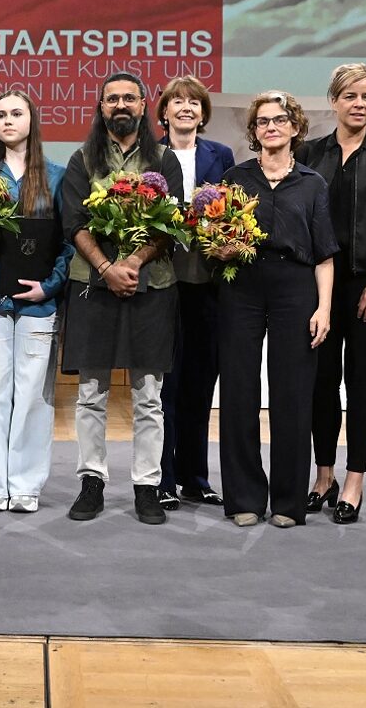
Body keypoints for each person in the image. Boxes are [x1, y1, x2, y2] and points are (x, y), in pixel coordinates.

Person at [59, 71, 183, 525]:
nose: (121, 105)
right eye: (112, 99)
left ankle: (147, 486)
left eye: (129, 97)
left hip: (153, 287)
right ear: (101, 107)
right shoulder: (81, 160)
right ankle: (92, 482)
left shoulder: (165, 160)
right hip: (92, 286)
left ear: (144, 104)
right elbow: (74, 223)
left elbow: (171, 224)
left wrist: (130, 264)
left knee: (149, 396)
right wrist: (108, 269)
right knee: (91, 393)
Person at [294, 64, 366, 525]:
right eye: (349, 96)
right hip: (318, 286)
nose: (358, 103)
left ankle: (354, 481)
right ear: (333, 101)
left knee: (360, 382)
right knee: (321, 381)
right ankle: (322, 476)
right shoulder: (309, 152)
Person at [216, 91, 336, 528]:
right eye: (263, 121)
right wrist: (223, 249)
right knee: (239, 392)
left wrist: (324, 308)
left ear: (294, 127)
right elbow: (216, 238)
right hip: (242, 286)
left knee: (291, 393)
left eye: (280, 120)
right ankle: (244, 497)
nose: (271, 127)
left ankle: (288, 501)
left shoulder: (312, 182)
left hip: (295, 287)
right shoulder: (233, 179)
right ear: (253, 132)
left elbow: (325, 255)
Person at [0, 91, 73, 513]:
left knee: (33, 396)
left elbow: (68, 243)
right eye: (1, 114)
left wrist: (52, 286)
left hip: (39, 304)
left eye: (16, 113)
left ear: (31, 121)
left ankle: (25, 485)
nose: (8, 120)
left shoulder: (57, 178)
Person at [155, 75, 234, 510]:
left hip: (208, 283)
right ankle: (163, 477)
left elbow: (235, 208)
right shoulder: (150, 156)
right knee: (166, 385)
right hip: (164, 283)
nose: (185, 107)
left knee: (202, 383)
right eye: (177, 101)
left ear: (203, 113)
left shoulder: (220, 155)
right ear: (163, 112)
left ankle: (195, 477)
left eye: (193, 102)